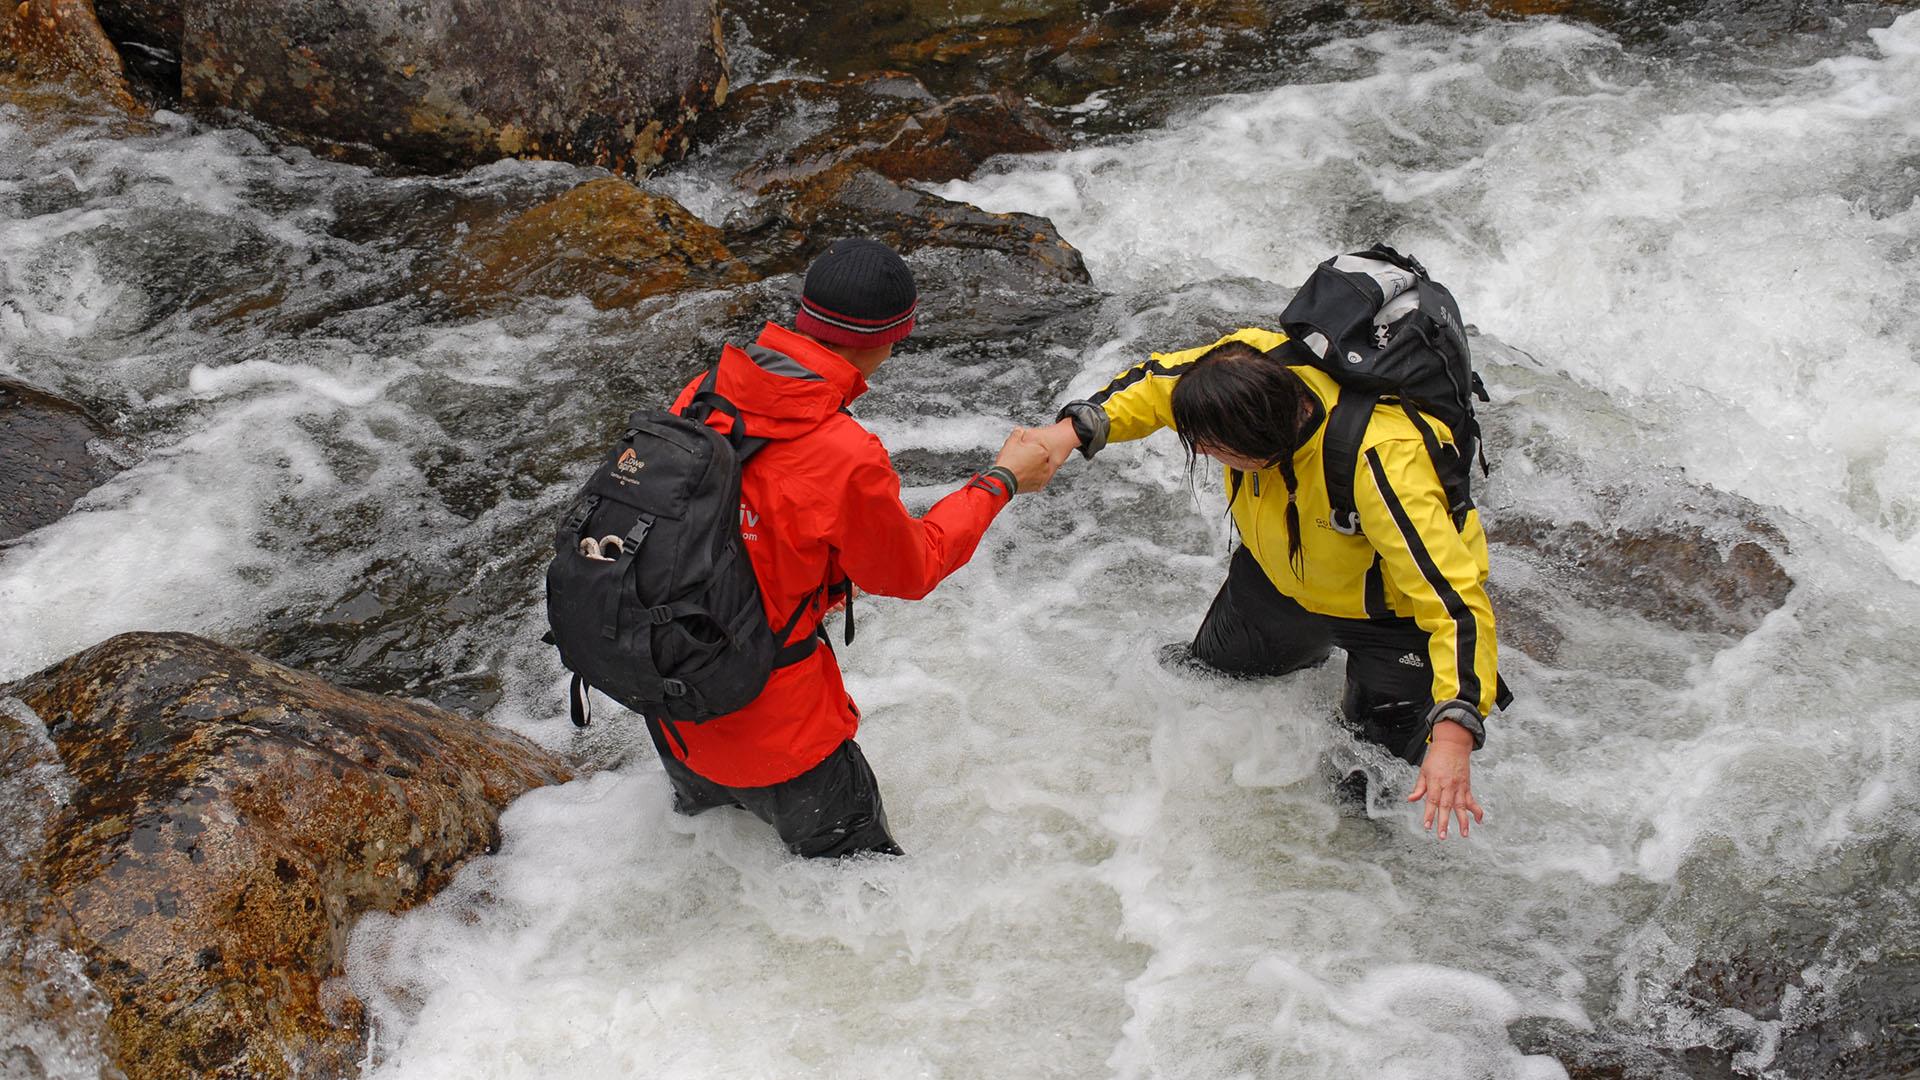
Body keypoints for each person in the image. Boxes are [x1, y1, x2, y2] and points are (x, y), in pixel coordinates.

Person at [653, 237, 1058, 858]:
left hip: (673, 708)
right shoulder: (842, 453)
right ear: (891, 339)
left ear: (803, 316)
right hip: (783, 734)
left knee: (707, 851)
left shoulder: (703, 393)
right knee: (867, 892)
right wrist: (1000, 481)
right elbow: (911, 569)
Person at [1033, 330, 1510, 839]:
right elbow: (1157, 384)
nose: (1207, 454)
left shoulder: (1382, 462)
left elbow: (1455, 601)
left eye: (1215, 450)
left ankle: (1350, 868)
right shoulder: (1246, 369)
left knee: (1365, 792)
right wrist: (1073, 432)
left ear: (1261, 449)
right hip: (1277, 584)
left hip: (1392, 623)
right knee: (1207, 683)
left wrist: (1456, 736)